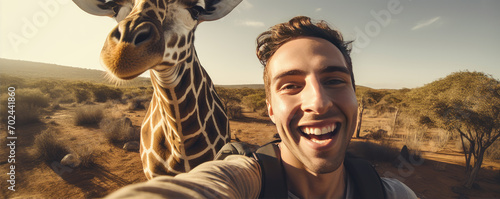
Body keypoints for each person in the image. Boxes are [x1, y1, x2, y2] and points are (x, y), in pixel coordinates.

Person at [106, 16, 418, 199]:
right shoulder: (242, 180)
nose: (319, 102)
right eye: (291, 85)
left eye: (335, 80)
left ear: (355, 96)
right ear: (270, 108)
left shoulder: (394, 194)